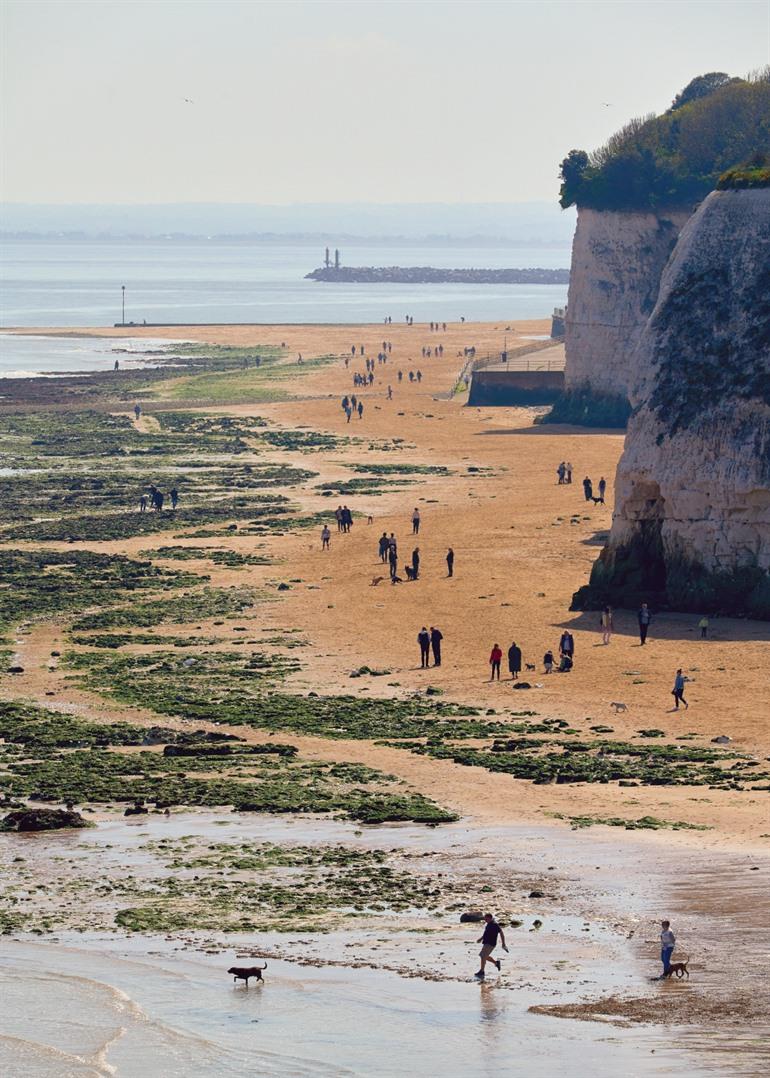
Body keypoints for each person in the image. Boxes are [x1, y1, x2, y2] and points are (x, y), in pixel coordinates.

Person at [475, 913, 507, 980]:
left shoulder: (495, 925)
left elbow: (501, 933)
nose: (485, 920)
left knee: (483, 956)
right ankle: (496, 963)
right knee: (483, 956)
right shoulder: (488, 924)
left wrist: (503, 943)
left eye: (486, 919)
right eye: (485, 919)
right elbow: (485, 933)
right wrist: (481, 939)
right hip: (486, 943)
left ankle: (482, 971)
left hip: (491, 943)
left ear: (490, 918)